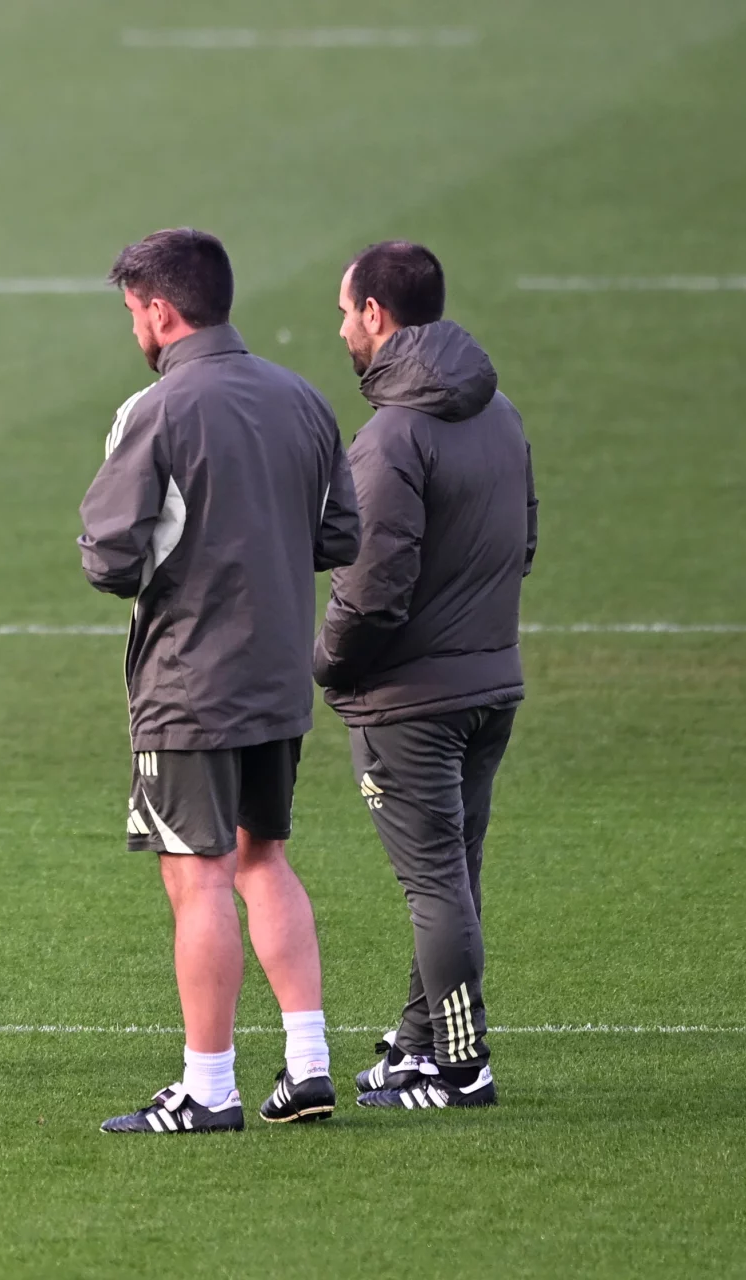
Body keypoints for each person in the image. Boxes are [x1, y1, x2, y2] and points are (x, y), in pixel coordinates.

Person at [80, 228, 359, 1134]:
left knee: (196, 876)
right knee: (262, 857)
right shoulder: (305, 400)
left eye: (133, 312)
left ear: (161, 310)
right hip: (279, 672)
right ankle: (310, 1065)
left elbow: (110, 555)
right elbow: (340, 536)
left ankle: (209, 1087)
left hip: (189, 682)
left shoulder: (155, 410)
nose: (134, 328)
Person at [316, 241, 537, 1110]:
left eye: (344, 311)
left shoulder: (391, 437)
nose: (340, 328)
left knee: (434, 881)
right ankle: (417, 1044)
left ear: (376, 313)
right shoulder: (503, 412)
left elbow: (372, 592)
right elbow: (524, 543)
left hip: (412, 703)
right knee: (452, 873)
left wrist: (329, 664)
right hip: (491, 685)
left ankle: (459, 1063)